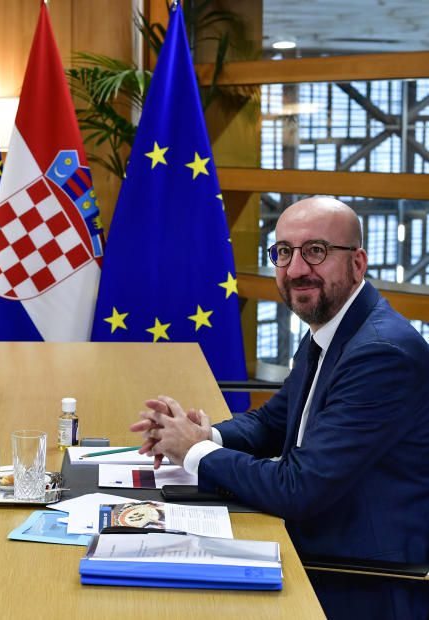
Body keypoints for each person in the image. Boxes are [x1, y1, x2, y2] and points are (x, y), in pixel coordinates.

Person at [131, 196, 429, 619]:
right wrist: (206, 435)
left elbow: (299, 488)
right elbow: (272, 423)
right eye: (283, 252)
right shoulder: (333, 329)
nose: (295, 269)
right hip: (314, 542)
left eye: (316, 251)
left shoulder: (381, 353)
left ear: (358, 263)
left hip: (360, 578)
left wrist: (195, 451)